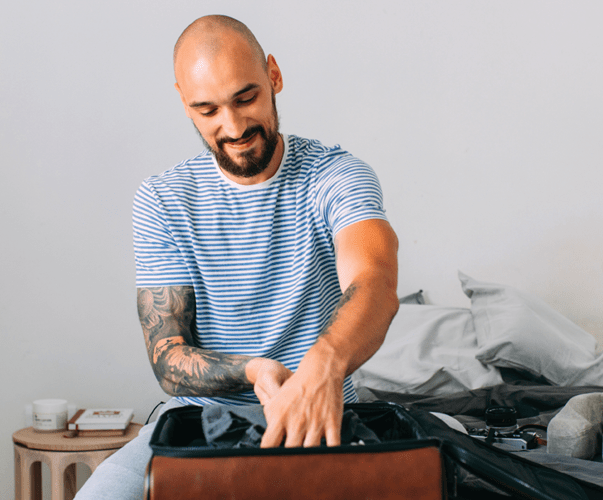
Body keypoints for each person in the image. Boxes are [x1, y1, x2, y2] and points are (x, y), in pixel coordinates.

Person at [75, 14, 399, 499]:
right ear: (184, 104)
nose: (233, 126)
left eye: (245, 98)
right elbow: (168, 358)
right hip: (194, 424)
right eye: (207, 110)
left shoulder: (336, 175)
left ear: (274, 76)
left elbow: (375, 281)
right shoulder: (164, 199)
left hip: (322, 419)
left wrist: (322, 368)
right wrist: (254, 370)